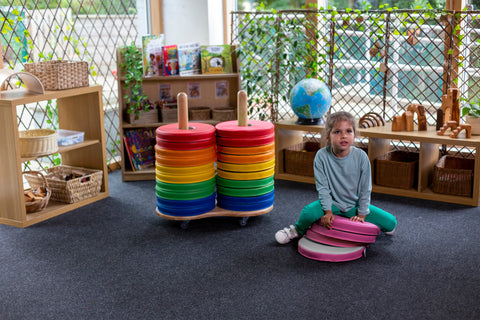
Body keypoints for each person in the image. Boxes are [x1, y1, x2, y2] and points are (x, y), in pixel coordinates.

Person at [275, 111, 397, 244]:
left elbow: (365, 188)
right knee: (308, 212)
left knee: (391, 223)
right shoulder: (321, 156)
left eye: (348, 131)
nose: (344, 136)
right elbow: (323, 188)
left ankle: (366, 221)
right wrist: (327, 211)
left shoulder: (361, 157)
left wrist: (361, 214)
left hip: (354, 204)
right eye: (337, 132)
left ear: (354, 135)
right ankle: (296, 230)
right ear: (328, 136)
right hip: (332, 203)